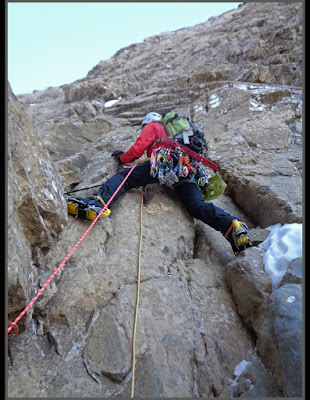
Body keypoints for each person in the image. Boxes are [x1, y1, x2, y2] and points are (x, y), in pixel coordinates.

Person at [67, 112, 252, 254]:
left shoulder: (154, 126)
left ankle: (99, 203)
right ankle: (233, 226)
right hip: (187, 168)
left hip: (166, 161)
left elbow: (138, 148)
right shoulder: (181, 131)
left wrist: (122, 157)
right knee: (197, 206)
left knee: (125, 177)